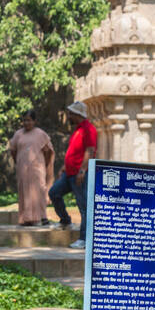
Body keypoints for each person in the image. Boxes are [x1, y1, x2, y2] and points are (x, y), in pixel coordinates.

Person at [48, 101, 97, 249]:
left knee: (84, 207)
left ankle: (84, 239)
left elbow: (90, 150)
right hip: (69, 173)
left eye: (71, 114)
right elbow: (75, 151)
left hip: (79, 174)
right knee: (54, 193)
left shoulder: (89, 129)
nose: (68, 116)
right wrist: (64, 166)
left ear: (78, 115)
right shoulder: (78, 130)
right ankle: (65, 221)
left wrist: (83, 170)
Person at [8, 110, 54, 226]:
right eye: (24, 120)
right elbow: (13, 150)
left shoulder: (40, 133)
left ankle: (43, 217)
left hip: (37, 167)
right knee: (24, 191)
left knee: (39, 190)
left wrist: (46, 163)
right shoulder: (18, 134)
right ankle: (26, 219)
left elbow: (49, 150)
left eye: (29, 120)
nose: (26, 123)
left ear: (34, 121)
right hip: (22, 168)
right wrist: (18, 161)